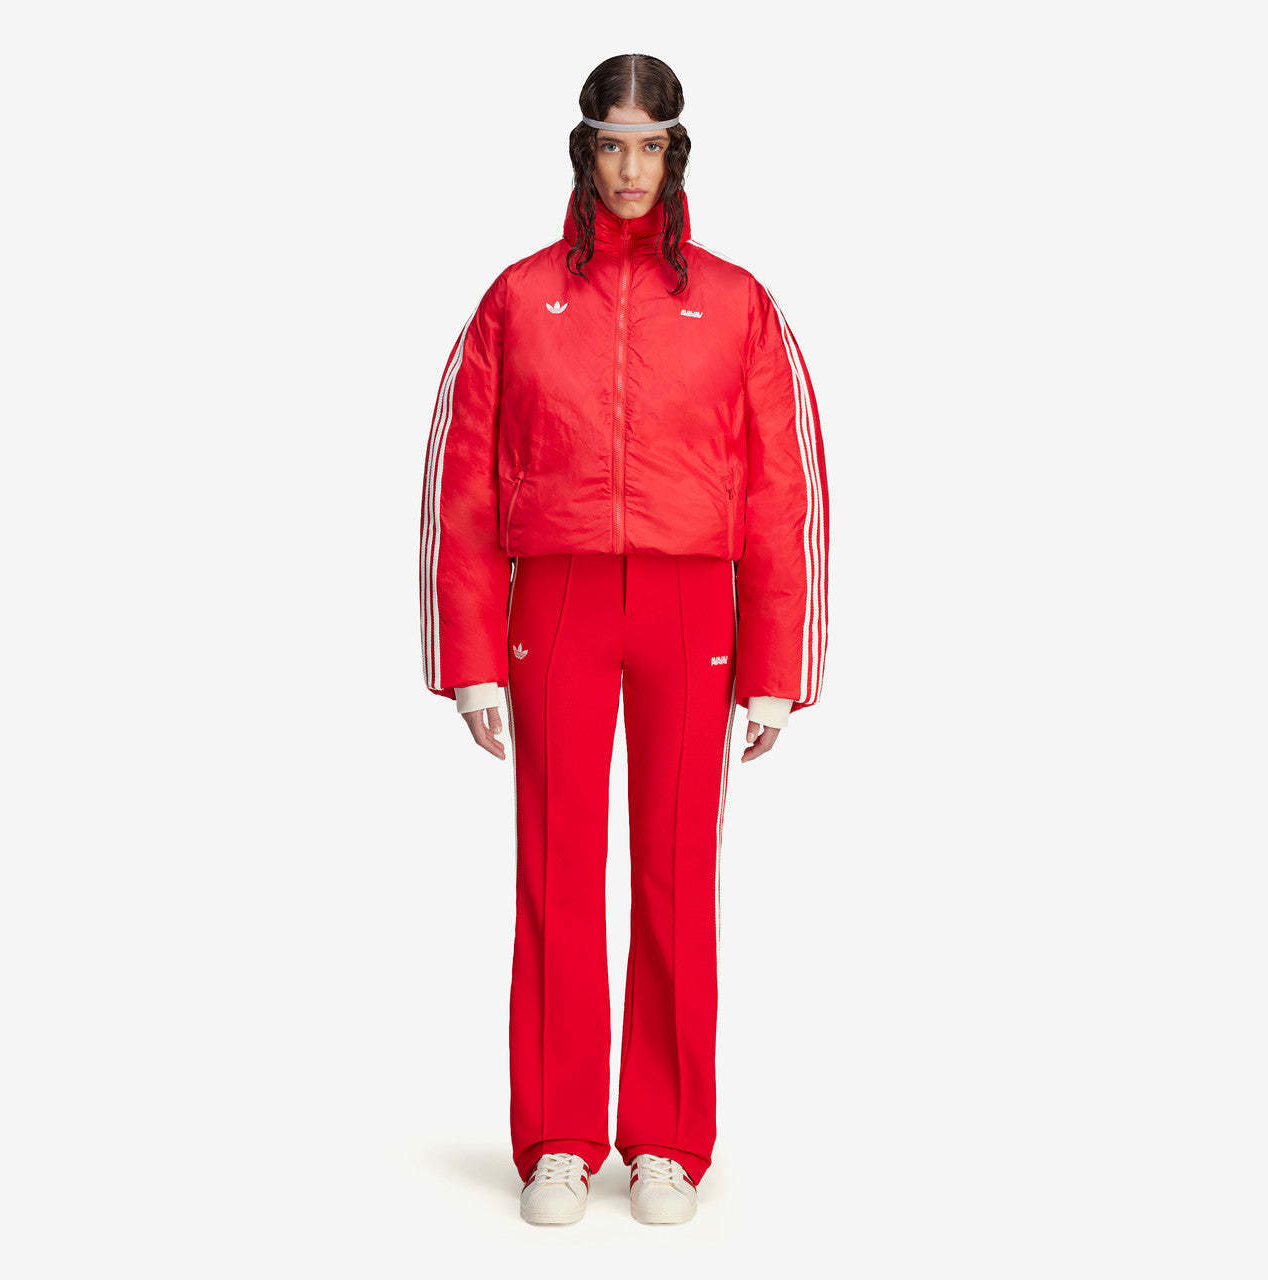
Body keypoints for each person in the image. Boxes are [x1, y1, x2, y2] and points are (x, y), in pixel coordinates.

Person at [418, 53, 829, 1225]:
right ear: (584, 149)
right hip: (555, 603)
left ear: (675, 152)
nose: (630, 167)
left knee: (675, 870)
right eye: (612, 144)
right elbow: (462, 479)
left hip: (693, 610)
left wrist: (775, 667)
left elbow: (781, 488)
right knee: (555, 866)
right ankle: (556, 1137)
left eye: (650, 146)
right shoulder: (516, 298)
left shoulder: (737, 303)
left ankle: (665, 1140)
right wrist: (470, 654)